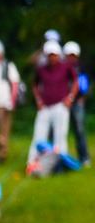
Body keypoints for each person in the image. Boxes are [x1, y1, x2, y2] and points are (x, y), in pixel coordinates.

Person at [30, 40, 78, 169]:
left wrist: (70, 98)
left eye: (54, 55)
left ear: (58, 55)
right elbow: (35, 85)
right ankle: (33, 164)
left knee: (60, 137)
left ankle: (60, 165)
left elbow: (75, 81)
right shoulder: (41, 69)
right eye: (50, 55)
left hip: (60, 106)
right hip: (45, 106)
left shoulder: (66, 66)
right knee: (39, 135)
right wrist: (38, 100)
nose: (52, 57)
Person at [67, 41, 89, 164]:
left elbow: (85, 85)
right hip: (65, 102)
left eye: (73, 55)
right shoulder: (63, 67)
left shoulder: (82, 67)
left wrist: (83, 98)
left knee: (80, 130)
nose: (71, 58)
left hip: (77, 103)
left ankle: (84, 157)